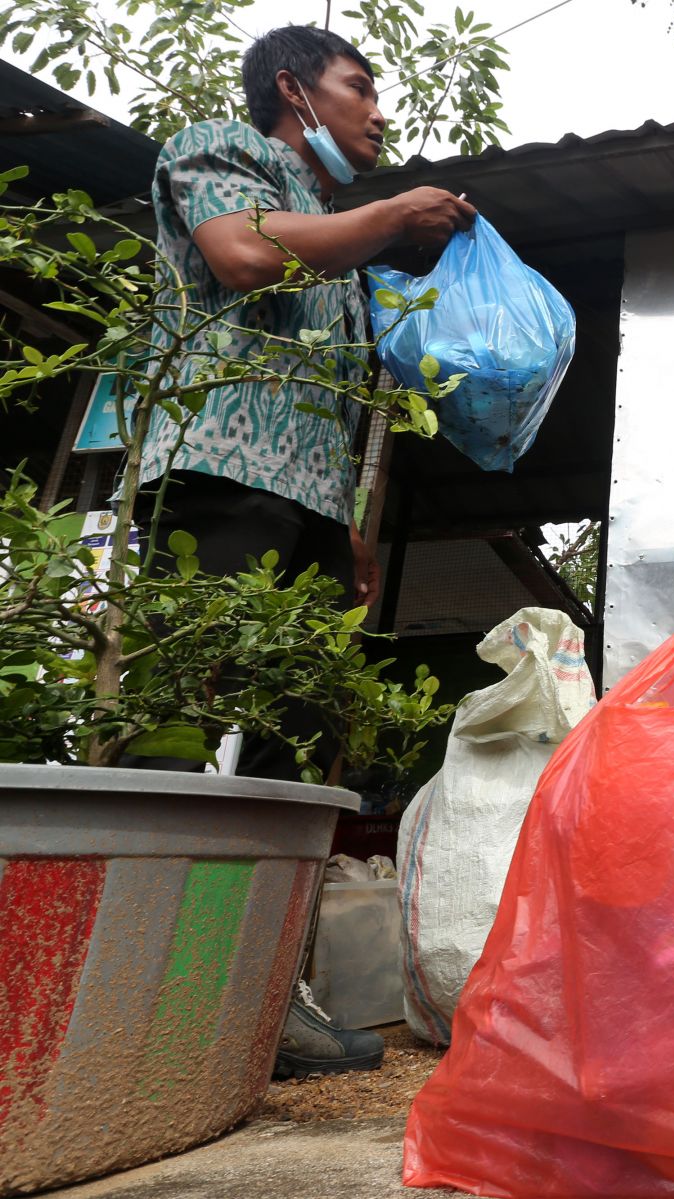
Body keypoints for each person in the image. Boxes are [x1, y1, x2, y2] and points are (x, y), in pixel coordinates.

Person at [139, 24, 476, 1074]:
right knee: (183, 736)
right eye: (358, 87)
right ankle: (148, 989)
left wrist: (348, 529)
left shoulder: (336, 233)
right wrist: (393, 216)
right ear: (294, 89)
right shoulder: (216, 147)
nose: (378, 111)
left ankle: (262, 998)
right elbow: (240, 255)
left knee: (290, 758)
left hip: (307, 507)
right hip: (217, 478)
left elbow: (340, 403)